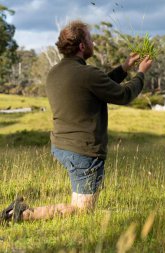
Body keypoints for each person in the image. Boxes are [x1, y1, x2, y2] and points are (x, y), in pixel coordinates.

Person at [0, 20, 153, 223]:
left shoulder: (55, 72)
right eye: (90, 39)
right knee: (82, 211)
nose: (93, 42)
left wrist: (124, 67)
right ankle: (20, 215)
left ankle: (19, 213)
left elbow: (98, 85)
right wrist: (141, 73)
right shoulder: (87, 74)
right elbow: (123, 94)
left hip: (61, 146)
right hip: (83, 151)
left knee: (82, 205)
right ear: (82, 46)